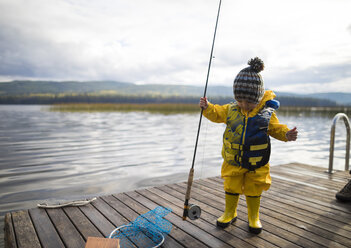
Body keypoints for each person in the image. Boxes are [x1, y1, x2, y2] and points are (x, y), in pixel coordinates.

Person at [199, 57, 298, 234]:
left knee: (254, 187)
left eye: (249, 102)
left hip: (257, 162)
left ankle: (254, 217)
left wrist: (286, 134)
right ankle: (230, 212)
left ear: (258, 98)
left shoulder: (266, 114)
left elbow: (276, 129)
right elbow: (216, 113)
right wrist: (207, 107)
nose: (244, 105)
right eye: (240, 100)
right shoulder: (231, 109)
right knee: (231, 185)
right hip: (233, 161)